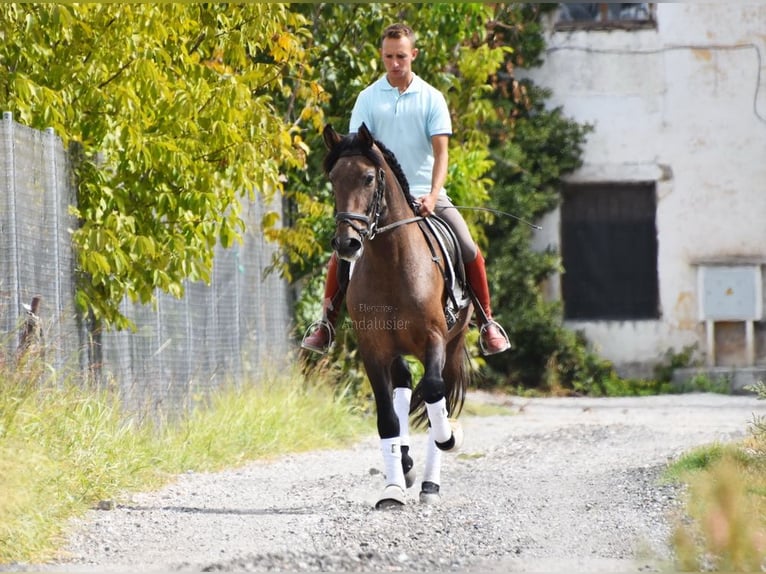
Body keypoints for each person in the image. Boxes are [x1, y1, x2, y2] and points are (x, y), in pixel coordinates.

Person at [302, 23, 510, 356]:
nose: (395, 63)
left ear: (413, 54)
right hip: (379, 199)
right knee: (340, 253)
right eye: (388, 56)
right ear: (382, 56)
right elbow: (357, 153)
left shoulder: (432, 99)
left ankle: (487, 322)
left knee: (469, 247)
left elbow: (442, 153)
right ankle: (326, 323)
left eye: (401, 56)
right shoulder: (367, 99)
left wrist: (432, 194)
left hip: (427, 195)